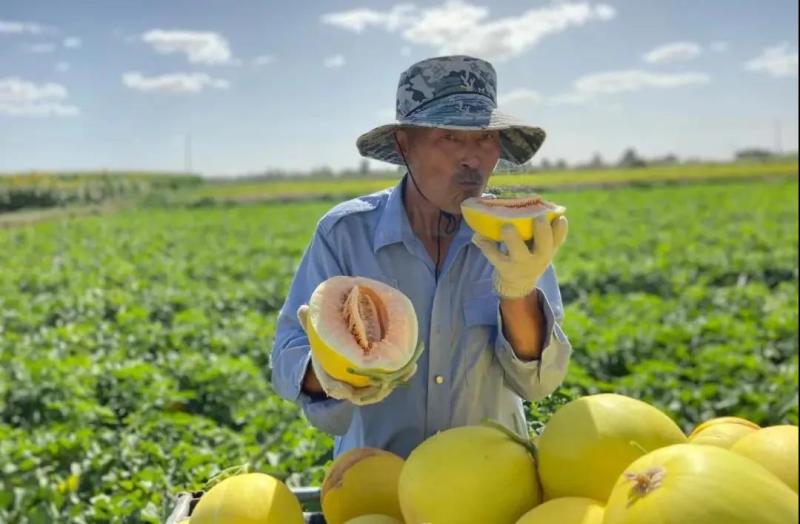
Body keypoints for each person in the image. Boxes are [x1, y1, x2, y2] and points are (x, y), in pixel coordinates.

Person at [271, 55, 572, 459]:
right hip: (376, 481)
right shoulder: (344, 234)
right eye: (449, 136)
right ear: (404, 144)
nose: (472, 157)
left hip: (493, 480)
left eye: (485, 137)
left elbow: (538, 383)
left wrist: (518, 291)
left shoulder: (517, 237)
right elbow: (288, 356)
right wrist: (327, 372)